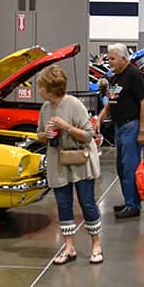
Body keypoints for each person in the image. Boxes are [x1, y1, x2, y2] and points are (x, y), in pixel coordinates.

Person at [37, 65, 103, 265]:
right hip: (58, 162)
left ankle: (96, 245)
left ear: (50, 88)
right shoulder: (45, 108)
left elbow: (89, 134)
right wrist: (45, 135)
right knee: (63, 204)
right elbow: (39, 134)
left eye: (41, 87)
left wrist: (66, 127)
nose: (38, 90)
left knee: (87, 202)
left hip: (80, 162)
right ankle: (69, 247)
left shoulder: (74, 105)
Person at [96, 43, 144, 219]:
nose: (109, 61)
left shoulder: (134, 75)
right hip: (119, 127)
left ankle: (133, 205)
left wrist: (142, 131)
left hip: (131, 127)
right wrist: (99, 119)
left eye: (112, 58)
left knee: (129, 168)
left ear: (124, 58)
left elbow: (143, 102)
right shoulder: (114, 78)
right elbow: (112, 101)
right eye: (108, 58)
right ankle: (129, 201)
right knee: (121, 167)